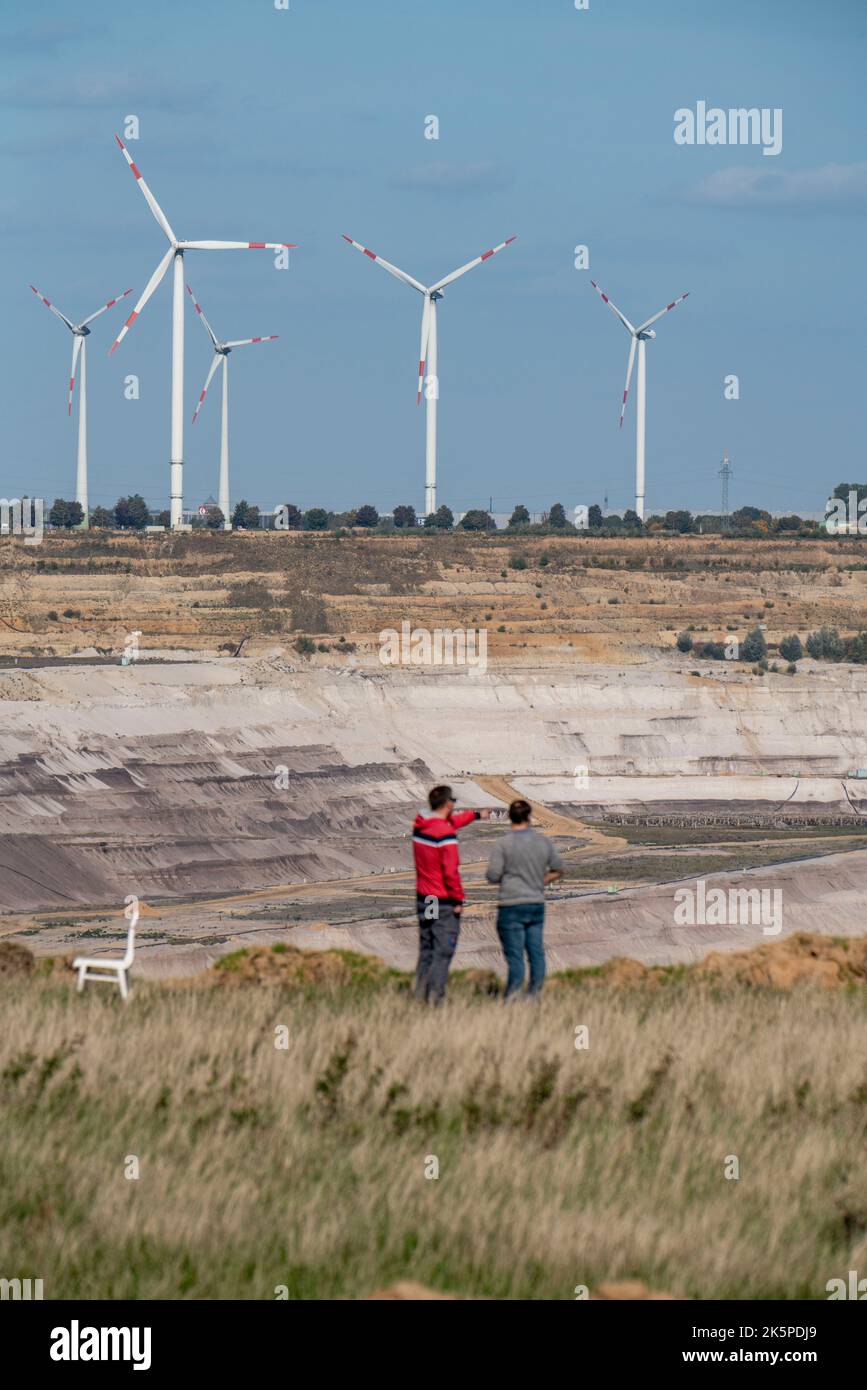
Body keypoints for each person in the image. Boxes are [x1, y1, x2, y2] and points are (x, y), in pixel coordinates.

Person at [412, 785, 490, 1004]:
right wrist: (458, 900)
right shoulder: (445, 835)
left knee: (427, 947)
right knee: (443, 949)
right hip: (443, 899)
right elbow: (450, 871)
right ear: (448, 804)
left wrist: (475, 816)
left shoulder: (422, 825)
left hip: (426, 899)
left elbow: (450, 821)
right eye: (453, 802)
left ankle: (419, 996)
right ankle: (435, 999)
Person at [486, 799, 563, 999]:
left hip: (511, 905)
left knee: (515, 958)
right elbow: (558, 869)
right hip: (535, 903)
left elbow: (493, 875)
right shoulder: (543, 841)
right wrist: (540, 881)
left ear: (510, 817)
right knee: (536, 954)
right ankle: (534, 996)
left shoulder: (503, 844)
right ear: (529, 817)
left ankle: (512, 998)